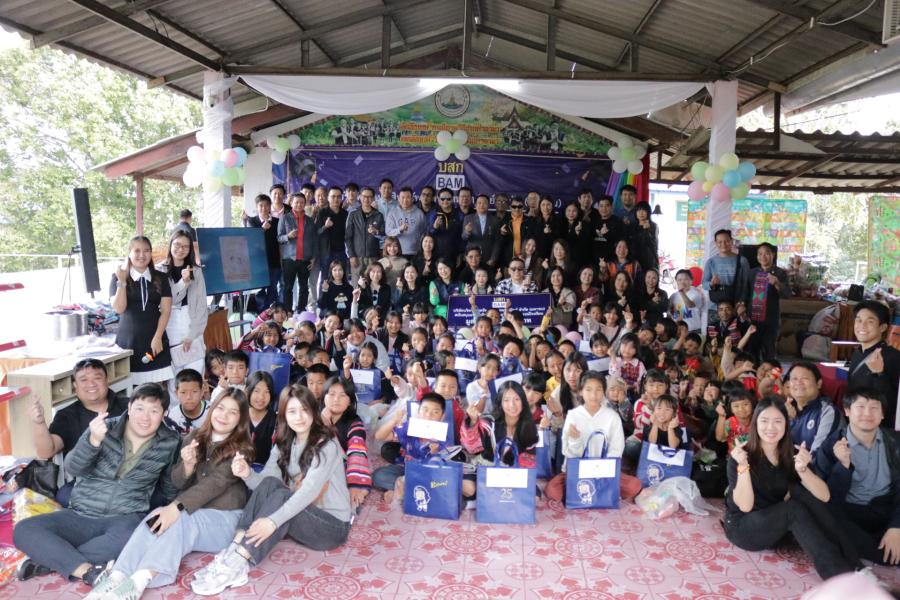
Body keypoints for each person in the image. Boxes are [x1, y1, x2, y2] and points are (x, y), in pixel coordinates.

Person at [83, 389, 254, 600]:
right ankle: (118, 576)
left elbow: (214, 484)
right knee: (156, 516)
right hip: (193, 514)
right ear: (212, 408)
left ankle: (138, 582)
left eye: (233, 412)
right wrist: (188, 465)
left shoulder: (242, 448)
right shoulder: (195, 437)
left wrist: (175, 507)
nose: (224, 415)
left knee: (180, 518)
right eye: (220, 408)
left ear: (240, 419)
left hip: (225, 521)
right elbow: (178, 482)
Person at [189, 386, 351, 595]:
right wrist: (247, 474)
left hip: (331, 528)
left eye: (304, 410)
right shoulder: (283, 444)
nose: (299, 417)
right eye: (292, 411)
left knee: (283, 495)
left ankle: (239, 560)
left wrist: (272, 522)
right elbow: (265, 485)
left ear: (313, 411)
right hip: (303, 518)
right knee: (271, 484)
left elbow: (308, 492)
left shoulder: (326, 445)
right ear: (283, 415)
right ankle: (234, 550)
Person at [14, 384, 180, 585]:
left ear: (164, 414)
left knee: (139, 539)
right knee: (24, 529)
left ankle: (52, 561)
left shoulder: (170, 441)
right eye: (139, 408)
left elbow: (169, 486)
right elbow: (73, 467)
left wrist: (176, 500)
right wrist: (92, 441)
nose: (145, 417)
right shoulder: (103, 428)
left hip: (125, 517)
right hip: (81, 513)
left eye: (154, 411)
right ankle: (87, 571)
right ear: (129, 408)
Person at [724, 396, 863, 581]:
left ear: (786, 424)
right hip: (744, 528)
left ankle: (856, 566)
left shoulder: (793, 454)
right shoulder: (741, 456)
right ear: (755, 424)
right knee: (792, 509)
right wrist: (743, 467)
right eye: (764, 421)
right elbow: (745, 506)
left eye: (778, 421)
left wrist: (803, 470)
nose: (771, 427)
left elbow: (823, 496)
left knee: (803, 495)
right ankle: (838, 577)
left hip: (775, 526)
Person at [813, 388, 900, 566]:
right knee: (823, 517)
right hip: (848, 514)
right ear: (847, 411)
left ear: (883, 414)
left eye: (874, 408)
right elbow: (826, 497)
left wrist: (896, 526)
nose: (867, 413)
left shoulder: (895, 442)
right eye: (860, 407)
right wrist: (843, 466)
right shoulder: (832, 445)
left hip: (886, 510)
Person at [545, 371, 642, 502]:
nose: (593, 395)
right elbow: (568, 453)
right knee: (553, 491)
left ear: (604, 392)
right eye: (588, 390)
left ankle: (588, 490)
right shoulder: (573, 415)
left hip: (604, 471)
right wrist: (574, 440)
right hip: (578, 471)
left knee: (634, 486)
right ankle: (597, 491)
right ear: (580, 391)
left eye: (598, 390)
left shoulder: (612, 417)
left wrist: (599, 470)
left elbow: (616, 450)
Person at [28, 359, 129, 461]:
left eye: (97, 378)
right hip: (86, 470)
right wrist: (39, 423)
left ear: (107, 380)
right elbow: (46, 452)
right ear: (75, 385)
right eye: (84, 380)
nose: (91, 384)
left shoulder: (128, 406)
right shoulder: (67, 416)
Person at [111, 236, 174, 385]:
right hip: (128, 342)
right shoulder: (117, 277)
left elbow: (166, 310)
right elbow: (119, 308)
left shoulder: (161, 278)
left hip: (155, 340)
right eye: (137, 251)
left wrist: (158, 337)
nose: (142, 255)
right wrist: (122, 282)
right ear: (129, 253)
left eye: (146, 251)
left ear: (151, 253)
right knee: (130, 390)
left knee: (157, 389)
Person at [158, 231, 208, 379]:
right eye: (177, 245)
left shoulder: (196, 271)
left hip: (191, 322)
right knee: (174, 376)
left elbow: (201, 306)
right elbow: (169, 301)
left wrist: (192, 335)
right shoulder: (159, 270)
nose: (181, 249)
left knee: (195, 372)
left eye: (185, 246)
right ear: (170, 245)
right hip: (169, 322)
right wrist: (183, 283)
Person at [319, 377, 372, 510]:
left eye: (342, 395)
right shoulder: (314, 417)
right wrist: (322, 422)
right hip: (316, 465)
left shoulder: (355, 423)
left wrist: (355, 485)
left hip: (341, 467)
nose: (336, 399)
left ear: (349, 401)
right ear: (324, 397)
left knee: (354, 491)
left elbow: (357, 452)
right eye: (332, 394)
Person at [847, 300, 900, 429]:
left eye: (870, 322)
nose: (862, 326)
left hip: (878, 430)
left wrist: (879, 374)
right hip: (855, 424)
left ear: (883, 327)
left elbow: (893, 403)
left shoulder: (893, 357)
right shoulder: (858, 353)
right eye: (859, 320)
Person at [744, 242, 790, 362]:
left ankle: (769, 372)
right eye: (760, 253)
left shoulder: (780, 273)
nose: (763, 256)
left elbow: (787, 294)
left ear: (773, 255)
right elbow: (745, 293)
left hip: (770, 320)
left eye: (767, 253)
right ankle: (753, 372)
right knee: (752, 351)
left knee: (769, 352)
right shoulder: (752, 273)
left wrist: (776, 283)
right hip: (753, 319)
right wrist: (741, 306)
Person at [277, 192, 318, 316]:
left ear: (305, 204)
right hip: (289, 259)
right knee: (288, 287)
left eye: (301, 202)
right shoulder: (285, 218)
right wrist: (288, 236)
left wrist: (313, 258)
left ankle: (301, 310)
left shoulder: (310, 220)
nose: (299, 205)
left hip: (305, 259)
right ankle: (288, 311)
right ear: (291, 203)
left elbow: (314, 240)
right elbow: (279, 238)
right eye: (296, 202)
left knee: (304, 287)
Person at [786, 362, 841, 454]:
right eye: (794, 378)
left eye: (805, 378)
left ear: (819, 384)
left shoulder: (827, 412)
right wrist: (785, 420)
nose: (798, 382)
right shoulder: (784, 410)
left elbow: (818, 454)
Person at [242, 194, 282, 307]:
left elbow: (280, 241)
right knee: (260, 290)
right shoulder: (251, 221)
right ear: (257, 207)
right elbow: (251, 239)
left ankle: (270, 312)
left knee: (273, 288)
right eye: (261, 205)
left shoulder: (277, 221)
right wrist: (262, 229)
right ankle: (262, 313)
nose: (264, 208)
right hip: (258, 262)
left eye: (266, 205)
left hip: (274, 260)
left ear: (270, 207)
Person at [702, 229, 750, 318]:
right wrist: (711, 284)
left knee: (736, 327)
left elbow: (746, 285)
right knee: (715, 328)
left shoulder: (742, 260)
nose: (723, 244)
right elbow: (704, 284)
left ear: (731, 241)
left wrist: (742, 303)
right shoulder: (711, 262)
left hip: (735, 308)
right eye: (720, 242)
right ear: (716, 243)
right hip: (715, 308)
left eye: (726, 241)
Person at [345, 186, 385, 282]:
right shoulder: (353, 214)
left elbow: (384, 235)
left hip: (373, 257)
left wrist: (376, 232)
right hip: (357, 257)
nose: (366, 199)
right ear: (359, 197)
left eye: (369, 197)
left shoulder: (378, 215)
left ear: (373, 198)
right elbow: (348, 237)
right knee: (357, 285)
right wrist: (351, 256)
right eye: (364, 196)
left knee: (373, 284)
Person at [246, 371, 278, 467]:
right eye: (256, 391)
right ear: (247, 391)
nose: (261, 397)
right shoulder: (238, 416)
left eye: (267, 392)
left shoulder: (276, 421)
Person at [462, 193, 501, 266]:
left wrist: (493, 258)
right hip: (472, 258)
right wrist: (467, 232)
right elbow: (464, 237)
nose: (482, 205)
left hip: (488, 258)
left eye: (484, 203)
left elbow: (497, 242)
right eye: (479, 203)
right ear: (475, 205)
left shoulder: (495, 220)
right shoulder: (468, 218)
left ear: (488, 205)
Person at [166, 369, 209, 435]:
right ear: (176, 394)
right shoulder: (173, 415)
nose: (189, 397)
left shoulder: (212, 412)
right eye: (183, 392)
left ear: (202, 392)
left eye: (194, 392)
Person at [428, 188, 464, 262]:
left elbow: (462, 237)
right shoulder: (433, 214)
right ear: (438, 200)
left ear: (453, 199)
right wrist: (434, 227)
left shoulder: (459, 214)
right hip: (436, 254)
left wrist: (461, 254)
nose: (445, 201)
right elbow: (428, 234)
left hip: (455, 254)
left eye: (448, 199)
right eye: (442, 199)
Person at [669, 269, 705, 334]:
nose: (682, 282)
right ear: (676, 281)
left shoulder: (696, 293)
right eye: (679, 280)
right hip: (678, 330)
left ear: (691, 281)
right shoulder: (673, 296)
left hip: (694, 330)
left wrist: (681, 292)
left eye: (685, 279)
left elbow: (690, 305)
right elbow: (669, 311)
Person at [627, 202, 659, 271]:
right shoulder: (632, 226)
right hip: (635, 261)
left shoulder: (653, 226)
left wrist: (647, 230)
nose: (641, 213)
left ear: (648, 212)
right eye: (638, 210)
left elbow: (654, 245)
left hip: (649, 261)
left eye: (644, 210)